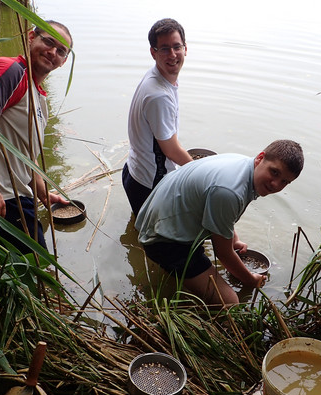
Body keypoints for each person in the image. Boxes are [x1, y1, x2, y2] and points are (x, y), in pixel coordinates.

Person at [135, 140, 304, 306]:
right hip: (162, 239)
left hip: (159, 215)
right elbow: (223, 254)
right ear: (261, 158)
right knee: (230, 303)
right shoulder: (229, 191)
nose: (276, 184)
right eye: (274, 172)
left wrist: (234, 239)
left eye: (285, 182)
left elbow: (221, 213)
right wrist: (250, 279)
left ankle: (182, 273)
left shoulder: (243, 164)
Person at [0, 20, 72, 254]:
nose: (53, 52)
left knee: (14, 277)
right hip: (1, 200)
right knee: (37, 273)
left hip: (13, 198)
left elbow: (24, 154)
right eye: (48, 42)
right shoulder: (10, 71)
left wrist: (42, 194)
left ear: (64, 61)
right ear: (31, 37)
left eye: (61, 51)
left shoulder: (37, 95)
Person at [123, 18, 194, 216]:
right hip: (150, 186)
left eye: (176, 47)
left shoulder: (157, 77)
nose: (172, 55)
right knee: (158, 244)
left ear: (185, 48)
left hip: (134, 171)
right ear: (153, 52)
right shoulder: (159, 95)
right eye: (164, 49)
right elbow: (171, 150)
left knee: (142, 228)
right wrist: (200, 172)